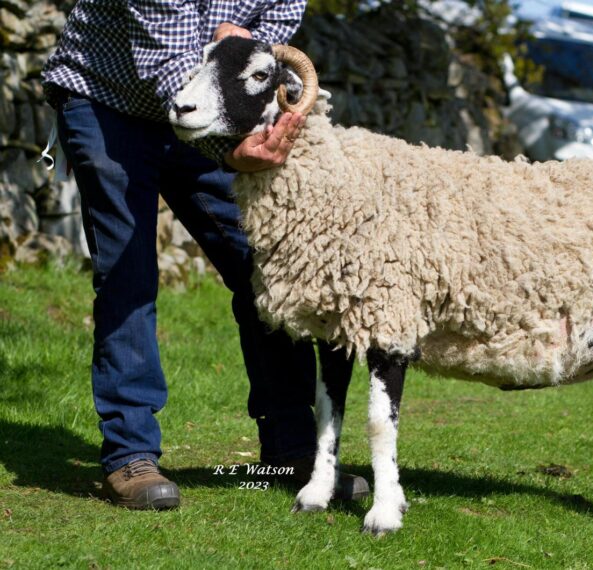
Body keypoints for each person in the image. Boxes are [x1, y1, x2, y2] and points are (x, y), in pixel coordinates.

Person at [41, 0, 367, 509]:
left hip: (202, 108)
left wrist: (249, 102)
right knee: (129, 273)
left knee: (267, 269)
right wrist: (229, 147)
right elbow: (165, 62)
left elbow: (266, 48)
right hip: (108, 100)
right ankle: (131, 455)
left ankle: (294, 450)